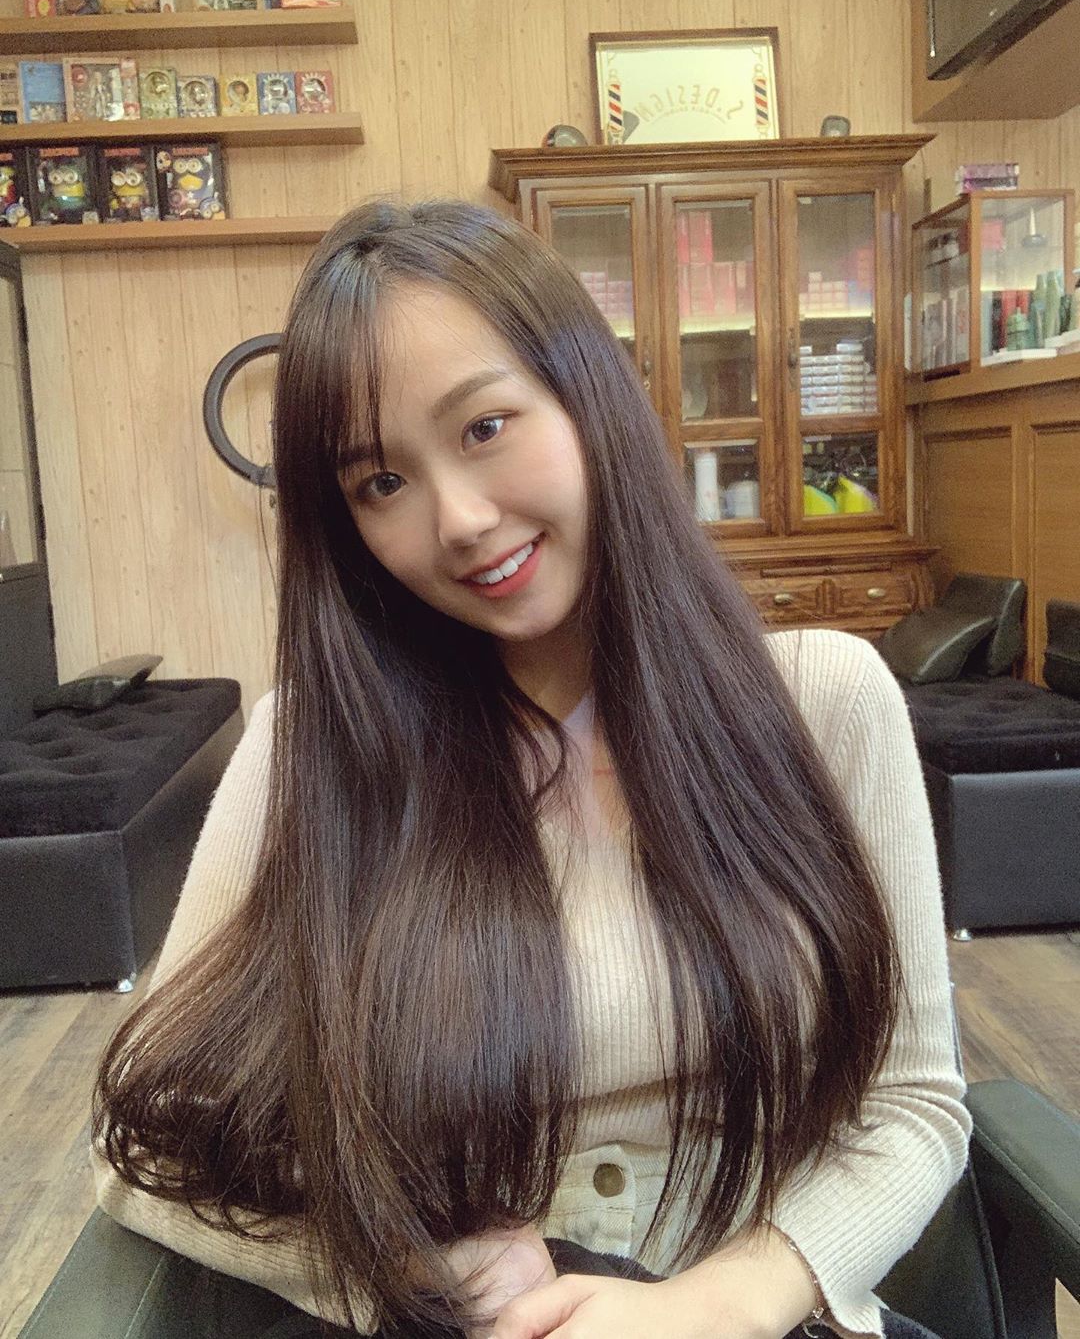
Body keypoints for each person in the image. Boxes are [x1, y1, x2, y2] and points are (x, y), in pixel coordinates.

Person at [92, 198, 970, 1339]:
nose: (459, 520)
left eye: (485, 427)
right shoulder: (315, 747)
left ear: (588, 395)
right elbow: (144, 1142)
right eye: (381, 484)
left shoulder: (824, 702)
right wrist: (409, 1270)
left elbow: (911, 1105)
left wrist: (723, 1304)